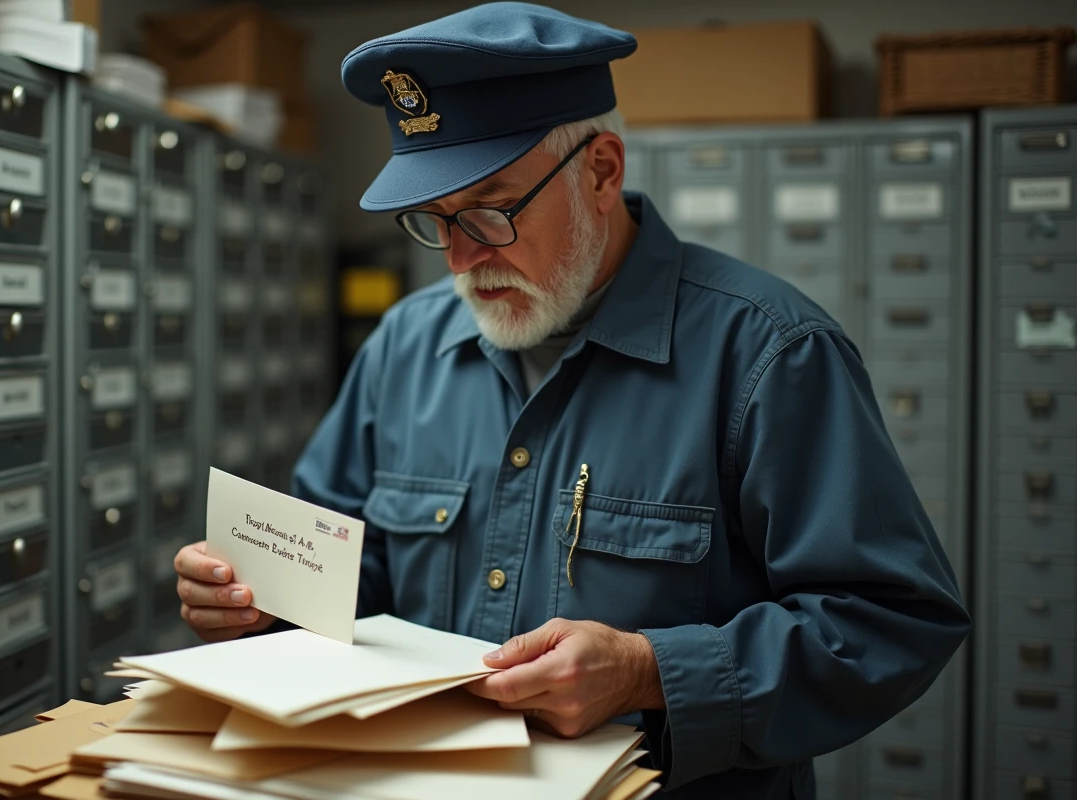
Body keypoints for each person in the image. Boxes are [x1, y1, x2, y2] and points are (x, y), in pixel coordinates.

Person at [173, 3, 971, 796]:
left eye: (490, 208)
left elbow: (890, 620)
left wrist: (651, 673)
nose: (460, 257)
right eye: (434, 220)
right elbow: (358, 575)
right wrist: (260, 600)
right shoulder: (403, 348)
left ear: (601, 171)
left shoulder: (770, 354)